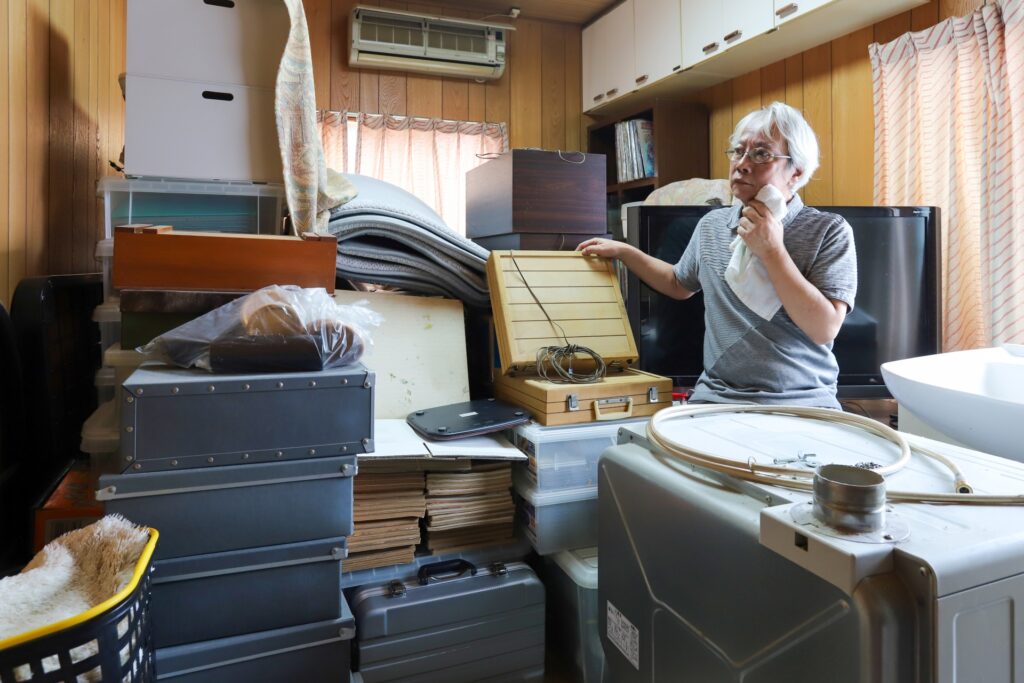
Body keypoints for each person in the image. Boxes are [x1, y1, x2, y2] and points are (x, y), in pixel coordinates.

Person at [578, 101, 857, 408]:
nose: (742, 163)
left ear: (796, 172)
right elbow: (677, 283)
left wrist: (772, 250)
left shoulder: (828, 230)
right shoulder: (712, 224)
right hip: (717, 397)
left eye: (761, 153)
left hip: (803, 401)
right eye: (738, 151)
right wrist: (624, 251)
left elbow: (824, 328)